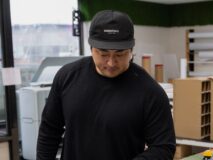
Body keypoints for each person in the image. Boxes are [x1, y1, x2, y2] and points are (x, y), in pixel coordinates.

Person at [37, 10, 176, 160]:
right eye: (103, 54)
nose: (111, 62)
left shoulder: (150, 91)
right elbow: (49, 130)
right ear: (91, 48)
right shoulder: (67, 77)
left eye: (119, 54)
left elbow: (163, 147)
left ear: (131, 51)